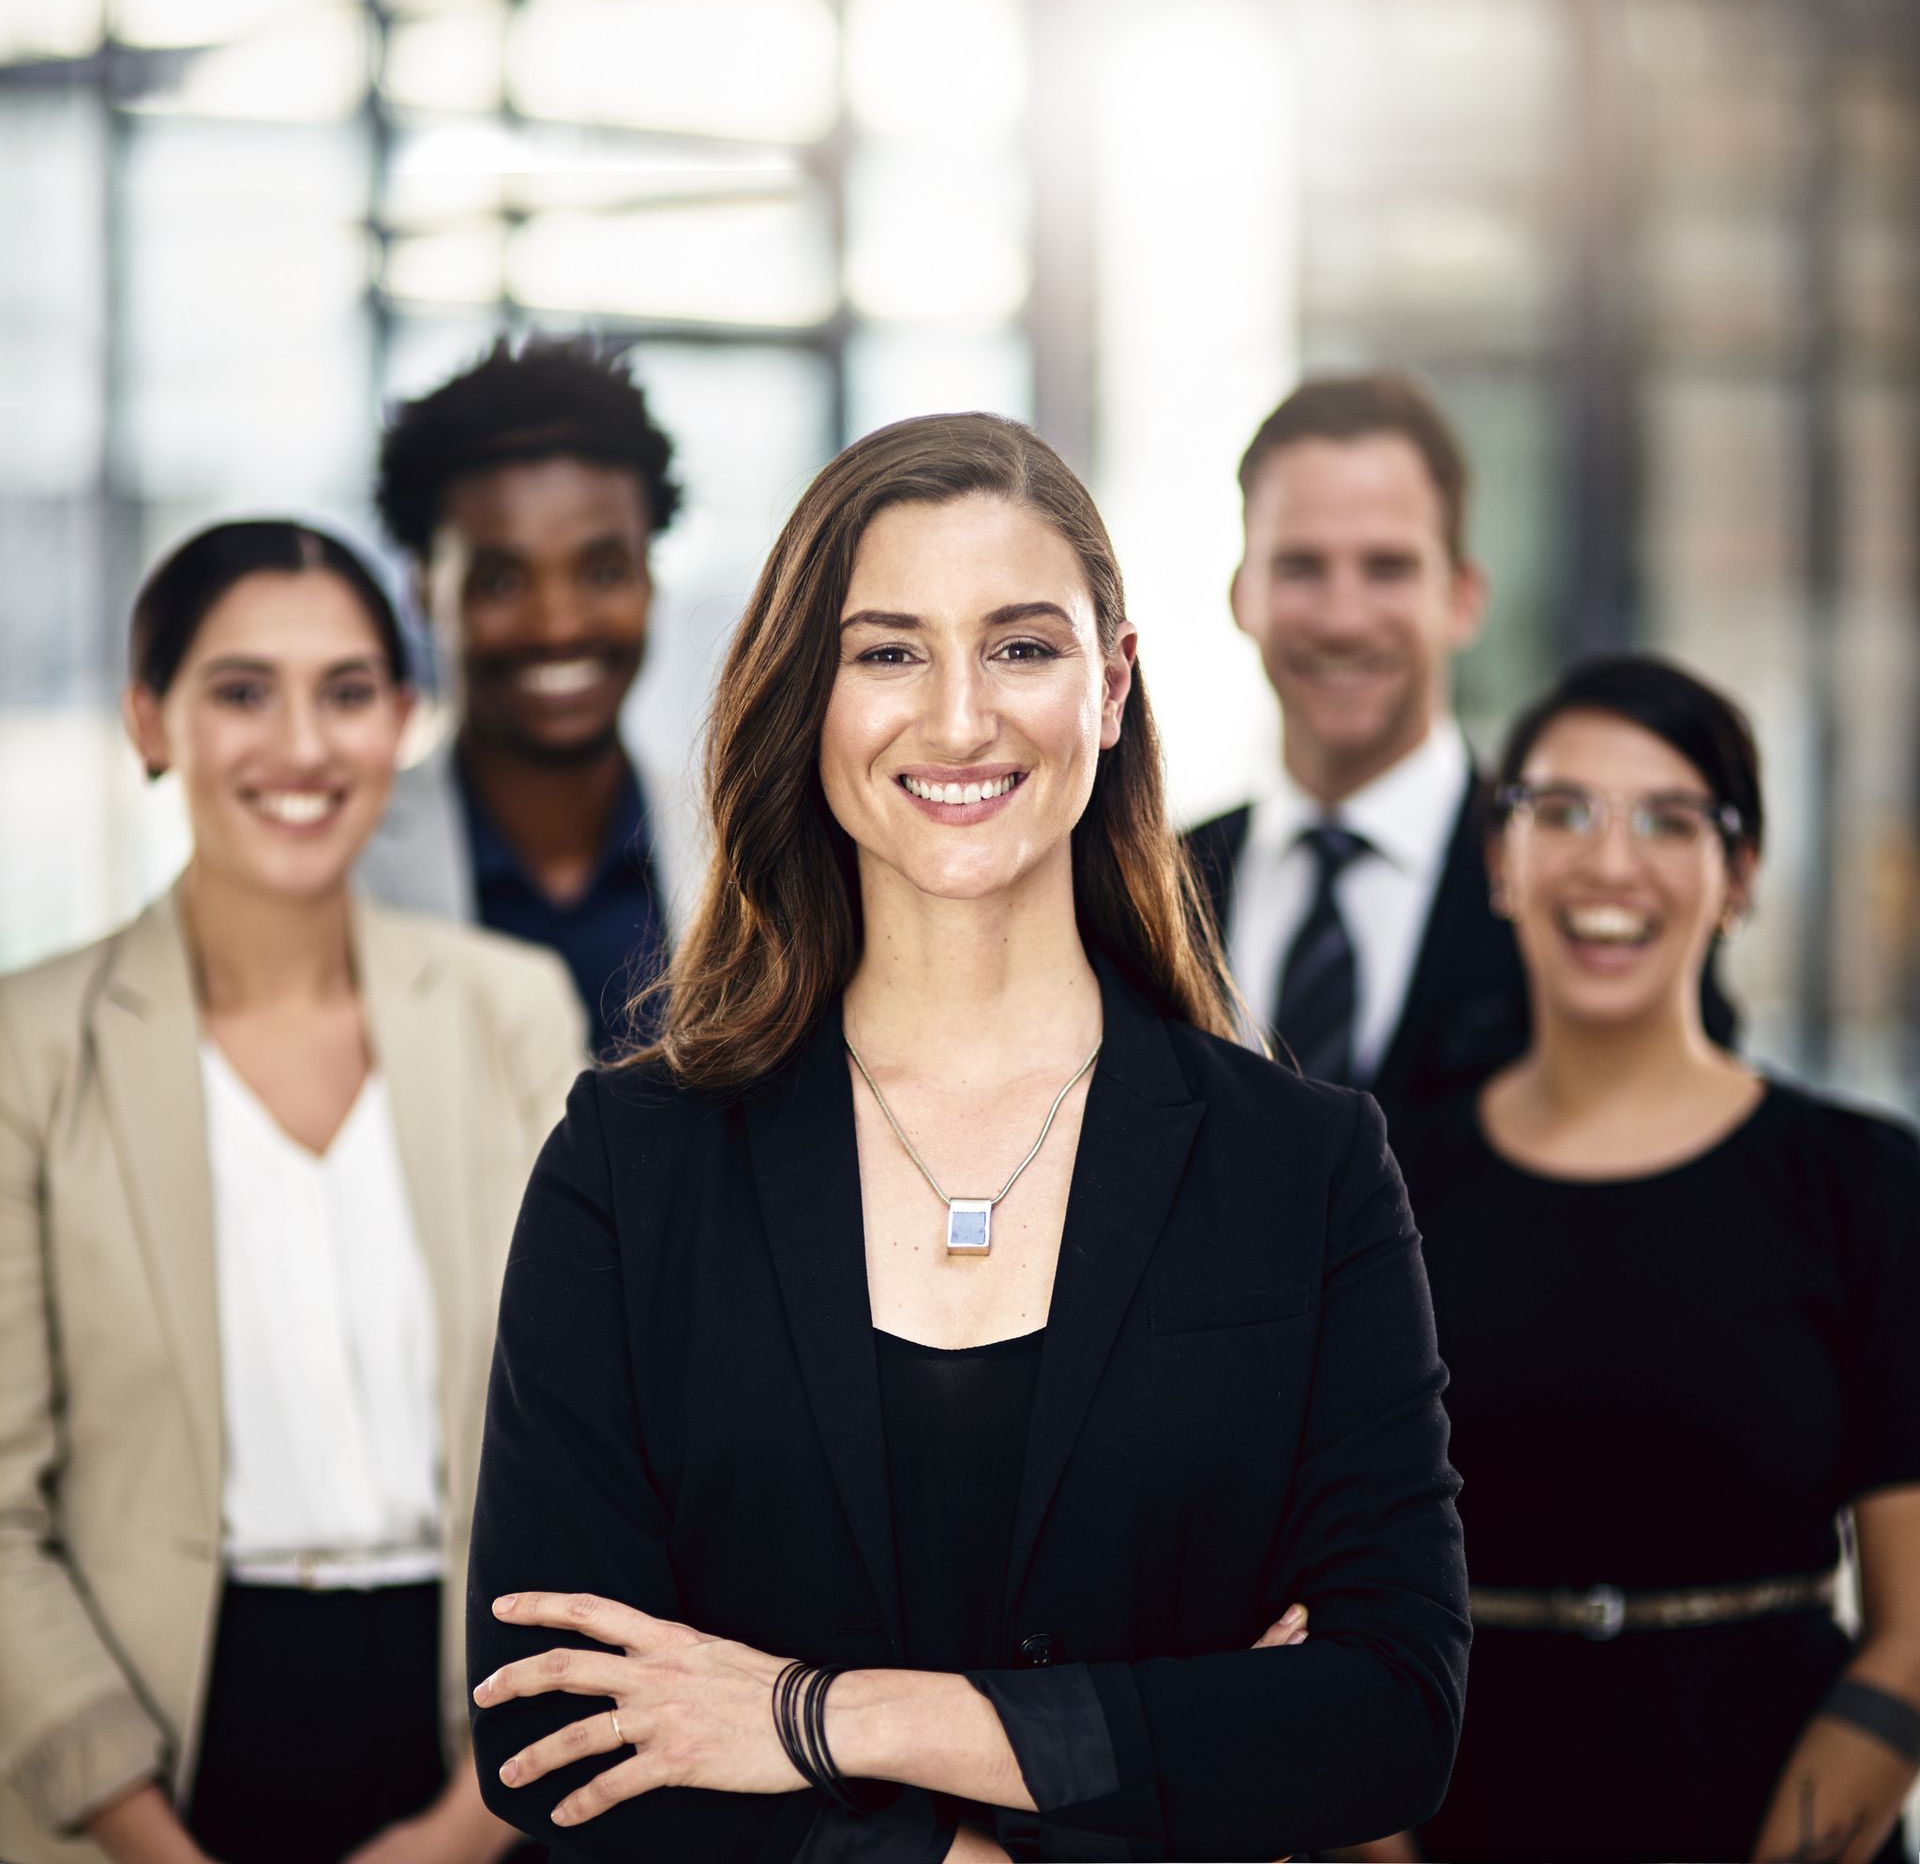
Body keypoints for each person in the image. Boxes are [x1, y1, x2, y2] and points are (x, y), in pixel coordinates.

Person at [462, 413, 1470, 1863]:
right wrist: (1067, 1796)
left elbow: (1387, 1716)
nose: (957, 720)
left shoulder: (1301, 1169)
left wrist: (817, 1718)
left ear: (1111, 684)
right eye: (888, 653)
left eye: (1021, 647)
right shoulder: (635, 1162)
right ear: (810, 698)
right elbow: (548, 1727)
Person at [0, 522, 584, 1864]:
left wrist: (463, 1828)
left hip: (481, 1739)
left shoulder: (512, 1012)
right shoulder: (30, 1050)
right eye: (242, 690)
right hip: (141, 1764)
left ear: (406, 719)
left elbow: (601, 1453)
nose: (304, 747)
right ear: (153, 721)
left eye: (349, 690)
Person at [1384, 655, 1920, 1863]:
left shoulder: (1859, 1182)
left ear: (1739, 878)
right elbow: (1311, 1605)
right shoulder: (1375, 1187)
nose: (1610, 863)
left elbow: (1916, 1631)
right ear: (1501, 864)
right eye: (1561, 810)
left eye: (1671, 820)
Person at [1186, 372, 1734, 1127]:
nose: (1344, 618)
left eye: (1388, 569)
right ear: (1241, 595)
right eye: (1301, 567)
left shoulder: (1589, 890)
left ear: (1465, 597)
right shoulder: (1149, 888)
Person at [361, 335, 702, 1054]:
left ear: (650, 576)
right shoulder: (349, 862)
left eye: (604, 571)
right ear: (425, 591)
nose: (558, 625)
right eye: (501, 583)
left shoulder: (753, 847)